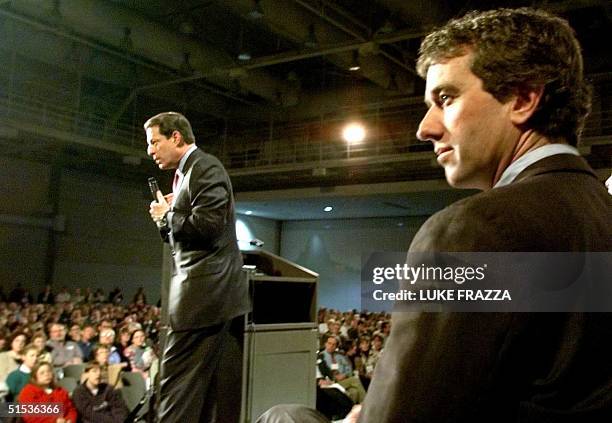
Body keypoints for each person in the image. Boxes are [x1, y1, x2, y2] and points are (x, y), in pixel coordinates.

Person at [257, 7, 612, 423]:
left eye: (446, 98)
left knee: (284, 416)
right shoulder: (600, 214)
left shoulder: (473, 232)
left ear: (523, 98)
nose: (425, 127)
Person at [145, 111, 250, 423]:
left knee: (176, 389)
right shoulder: (186, 174)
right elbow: (185, 234)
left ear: (175, 137)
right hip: (215, 299)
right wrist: (167, 217)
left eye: (154, 142)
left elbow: (209, 225)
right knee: (216, 396)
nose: (150, 150)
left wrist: (168, 216)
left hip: (203, 300)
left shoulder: (204, 167)